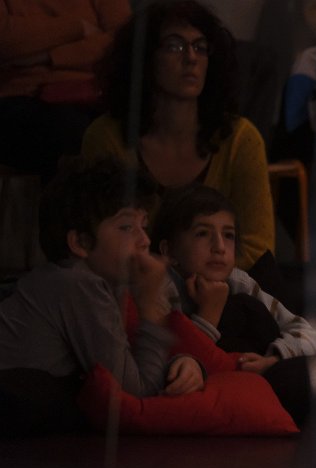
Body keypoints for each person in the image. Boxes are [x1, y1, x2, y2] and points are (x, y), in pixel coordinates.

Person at [80, 0, 276, 280]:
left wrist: (195, 285)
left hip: (222, 288)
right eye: (175, 46)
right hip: (131, 285)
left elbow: (258, 247)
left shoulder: (240, 139)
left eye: (200, 47)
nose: (191, 58)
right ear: (145, 58)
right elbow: (100, 241)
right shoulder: (106, 136)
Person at [0, 159, 204, 398]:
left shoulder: (96, 284)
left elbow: (130, 365)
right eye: (127, 227)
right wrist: (150, 308)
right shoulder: (77, 284)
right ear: (81, 243)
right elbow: (133, 392)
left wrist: (182, 364)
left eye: (144, 226)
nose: (145, 241)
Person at [151, 184, 316, 371]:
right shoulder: (159, 290)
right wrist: (208, 313)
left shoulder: (238, 282)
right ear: (169, 251)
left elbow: (309, 334)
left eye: (228, 235)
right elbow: (174, 366)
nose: (220, 247)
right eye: (202, 233)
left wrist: (272, 359)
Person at [0, 0, 130, 179]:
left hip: (96, 92)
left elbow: (122, 43)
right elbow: (5, 40)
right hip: (23, 94)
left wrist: (48, 57)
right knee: (70, 133)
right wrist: (78, 27)